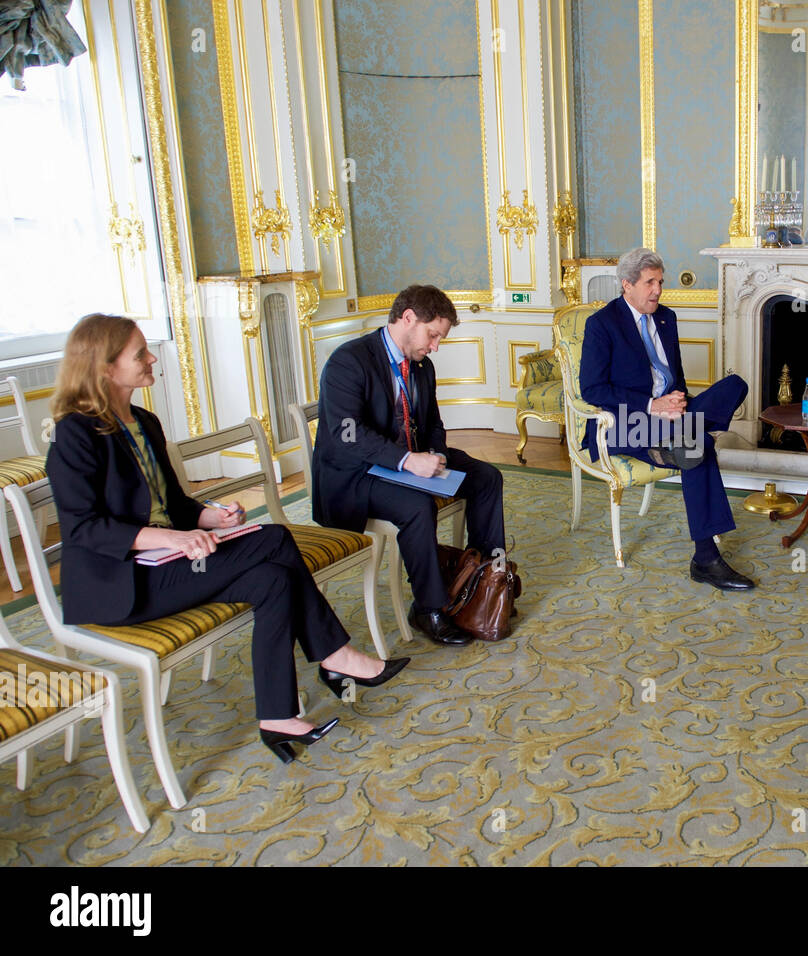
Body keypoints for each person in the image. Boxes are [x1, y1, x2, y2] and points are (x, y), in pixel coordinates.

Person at [45, 314, 406, 763]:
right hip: (122, 584)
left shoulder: (144, 421)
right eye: (140, 354)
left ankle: (276, 716)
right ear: (104, 367)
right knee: (274, 538)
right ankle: (335, 654)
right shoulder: (75, 433)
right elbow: (84, 528)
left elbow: (174, 504)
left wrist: (209, 516)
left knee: (273, 580)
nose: (152, 357)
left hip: (170, 563)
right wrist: (173, 540)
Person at [314, 284, 506, 645]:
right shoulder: (348, 361)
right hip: (355, 474)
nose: (435, 346)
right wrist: (405, 460)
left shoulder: (421, 367)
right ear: (408, 319)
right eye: (433, 335)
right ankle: (429, 609)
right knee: (417, 507)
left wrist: (437, 454)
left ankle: (487, 581)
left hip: (409, 459)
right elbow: (347, 434)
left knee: (487, 477)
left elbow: (432, 422)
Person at [580, 247, 756, 591]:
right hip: (626, 424)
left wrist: (677, 401)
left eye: (660, 282)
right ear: (627, 284)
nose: (657, 290)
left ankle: (684, 431)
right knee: (698, 444)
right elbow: (593, 389)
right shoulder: (602, 324)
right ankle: (705, 558)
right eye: (650, 283)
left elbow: (674, 376)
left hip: (670, 416)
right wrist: (653, 406)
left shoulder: (666, 317)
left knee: (736, 384)